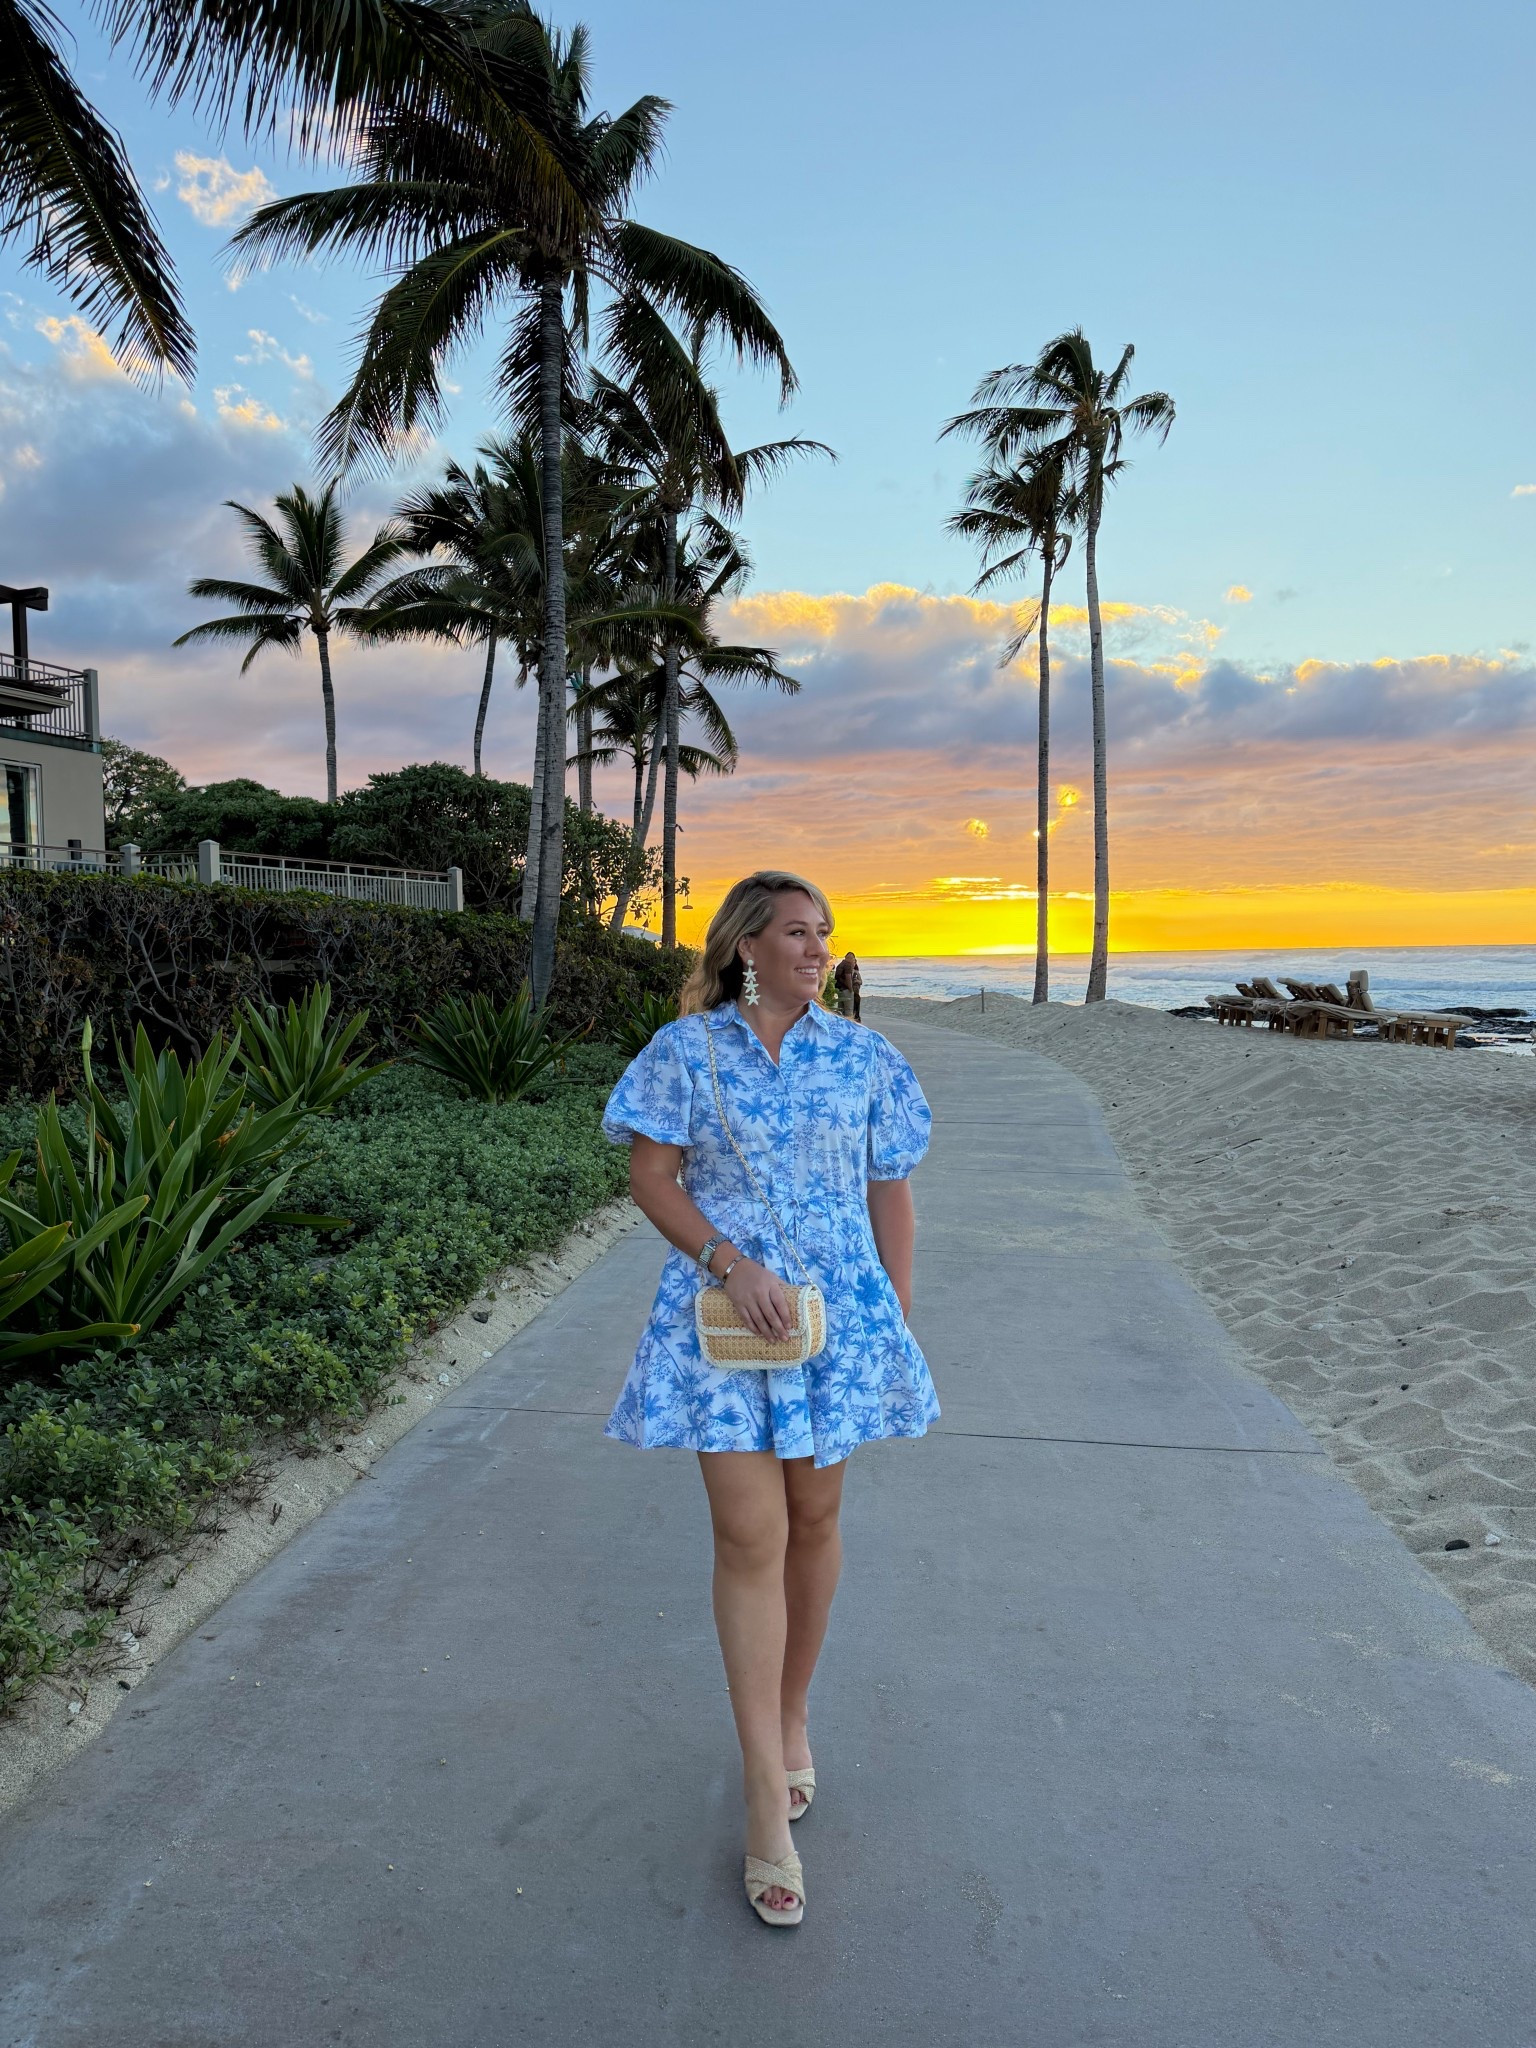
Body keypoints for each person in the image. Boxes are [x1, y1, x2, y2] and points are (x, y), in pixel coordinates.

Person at [601, 870, 938, 1928]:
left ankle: (793, 1712)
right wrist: (728, 1258)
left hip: (835, 1328)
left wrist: (895, 1327)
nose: (819, 945)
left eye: (826, 929)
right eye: (798, 930)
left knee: (816, 1521)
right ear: (748, 943)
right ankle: (761, 1791)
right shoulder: (687, 1051)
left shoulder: (866, 1055)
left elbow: (893, 1193)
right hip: (725, 1323)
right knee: (749, 1535)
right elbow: (652, 1176)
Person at [833, 949, 863, 1021]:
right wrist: (851, 989)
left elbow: (837, 978)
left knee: (841, 1010)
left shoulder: (840, 965)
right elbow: (848, 978)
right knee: (848, 1011)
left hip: (839, 990)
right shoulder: (847, 965)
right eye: (853, 959)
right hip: (846, 990)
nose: (853, 960)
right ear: (851, 958)